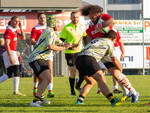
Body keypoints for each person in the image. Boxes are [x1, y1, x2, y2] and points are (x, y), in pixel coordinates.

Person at [29, 16, 72, 107]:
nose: (58, 25)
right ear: (53, 23)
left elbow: (57, 41)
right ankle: (35, 101)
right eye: (57, 23)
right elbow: (50, 46)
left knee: (45, 78)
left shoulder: (48, 31)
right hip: (36, 58)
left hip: (38, 58)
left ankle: (40, 97)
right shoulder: (50, 32)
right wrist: (64, 47)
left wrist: (66, 44)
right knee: (47, 78)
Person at [80, 4, 123, 93]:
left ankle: (119, 87)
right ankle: (101, 88)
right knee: (102, 70)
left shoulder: (103, 17)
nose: (90, 17)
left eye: (92, 14)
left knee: (115, 69)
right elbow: (90, 38)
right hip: (101, 50)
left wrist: (102, 25)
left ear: (97, 13)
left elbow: (112, 21)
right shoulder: (90, 25)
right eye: (89, 15)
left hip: (111, 47)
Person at [75, 30, 122, 106]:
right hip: (89, 58)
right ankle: (113, 100)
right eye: (114, 41)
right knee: (100, 77)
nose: (114, 42)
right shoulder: (109, 42)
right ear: (112, 38)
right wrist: (120, 70)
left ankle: (79, 100)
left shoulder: (97, 39)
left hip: (79, 59)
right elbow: (114, 59)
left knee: (91, 82)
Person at [60, 11, 86, 96]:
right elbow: (61, 41)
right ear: (70, 18)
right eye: (73, 17)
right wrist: (69, 46)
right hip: (70, 53)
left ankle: (78, 86)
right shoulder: (66, 28)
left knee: (83, 72)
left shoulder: (82, 27)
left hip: (80, 52)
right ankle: (72, 91)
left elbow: (84, 38)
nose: (75, 19)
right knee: (73, 72)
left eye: (77, 17)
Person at [30, 13, 55, 98]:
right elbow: (31, 40)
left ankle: (50, 91)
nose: (43, 19)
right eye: (41, 18)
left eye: (44, 17)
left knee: (50, 70)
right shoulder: (35, 28)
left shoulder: (49, 28)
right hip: (39, 53)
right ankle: (35, 88)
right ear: (38, 19)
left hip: (48, 53)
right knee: (38, 73)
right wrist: (39, 44)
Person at [0, 16, 26, 96]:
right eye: (15, 21)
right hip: (9, 52)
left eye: (18, 22)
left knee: (10, 73)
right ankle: (16, 91)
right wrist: (10, 55)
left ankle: (16, 91)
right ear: (11, 21)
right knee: (17, 69)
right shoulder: (9, 30)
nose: (16, 23)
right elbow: (7, 44)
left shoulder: (14, 30)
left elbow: (23, 37)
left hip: (11, 52)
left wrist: (21, 28)